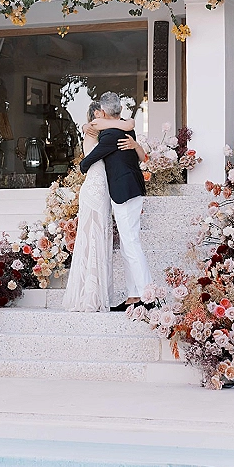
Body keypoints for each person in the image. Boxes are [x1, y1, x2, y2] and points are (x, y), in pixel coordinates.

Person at [79, 92, 152, 312]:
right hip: (129, 189)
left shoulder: (111, 135)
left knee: (131, 243)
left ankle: (148, 295)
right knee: (127, 245)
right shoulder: (125, 129)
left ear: (102, 112)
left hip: (125, 192)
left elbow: (86, 163)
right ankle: (134, 296)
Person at [62, 102, 135, 312]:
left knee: (97, 239)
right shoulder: (95, 127)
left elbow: (127, 124)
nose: (106, 116)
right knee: (92, 239)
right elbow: (128, 124)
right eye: (102, 112)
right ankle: (90, 296)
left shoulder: (98, 129)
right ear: (96, 114)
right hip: (95, 189)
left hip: (100, 188)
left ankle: (92, 293)